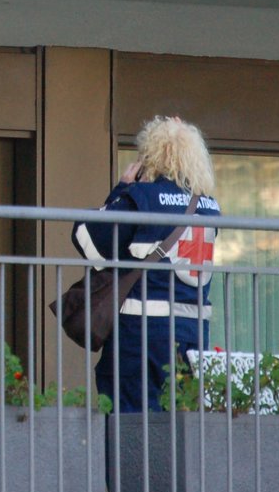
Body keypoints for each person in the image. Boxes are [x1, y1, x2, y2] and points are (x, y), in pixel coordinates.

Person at [71, 115, 221, 413]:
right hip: (193, 335)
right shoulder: (209, 207)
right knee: (180, 420)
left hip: (141, 335)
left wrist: (121, 189)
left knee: (130, 421)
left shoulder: (143, 198)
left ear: (150, 156)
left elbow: (86, 238)